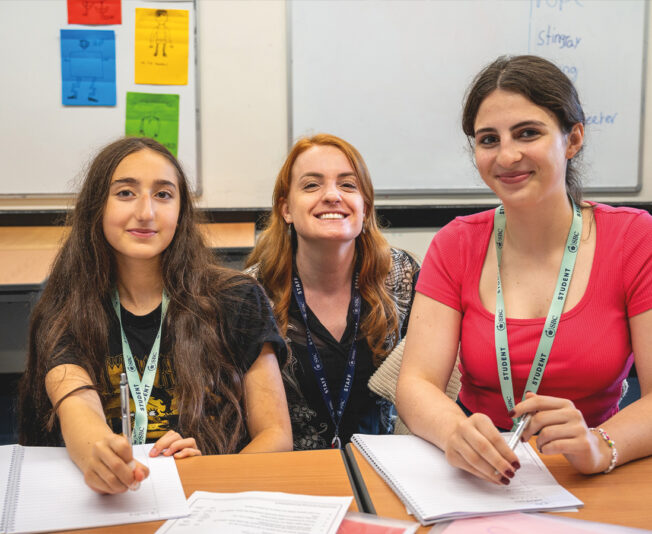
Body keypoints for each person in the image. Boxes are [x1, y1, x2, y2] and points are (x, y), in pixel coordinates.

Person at [396, 55, 652, 484]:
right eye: (488, 139)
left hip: (594, 472)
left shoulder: (634, 239)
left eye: (527, 133)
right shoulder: (456, 243)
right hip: (482, 474)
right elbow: (416, 382)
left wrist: (598, 444)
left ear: (573, 140)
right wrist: (455, 432)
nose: (507, 155)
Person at [18, 137, 292, 494]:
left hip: (210, 498)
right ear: (96, 206)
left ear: (181, 211)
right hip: (108, 499)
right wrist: (103, 455)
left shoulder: (237, 298)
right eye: (125, 193)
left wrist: (213, 473)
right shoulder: (67, 302)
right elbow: (75, 407)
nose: (146, 212)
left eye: (163, 195)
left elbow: (277, 435)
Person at [246, 134, 420, 450]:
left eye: (348, 185)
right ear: (286, 209)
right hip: (290, 476)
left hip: (386, 469)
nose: (331, 196)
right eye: (311, 185)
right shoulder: (252, 294)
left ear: (365, 208)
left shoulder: (402, 276)